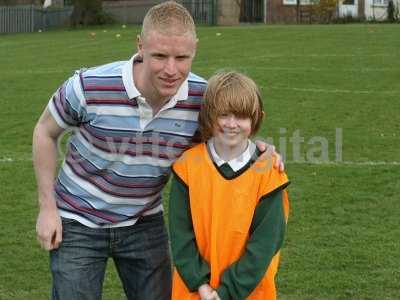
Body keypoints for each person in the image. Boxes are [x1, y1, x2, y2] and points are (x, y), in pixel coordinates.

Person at [32, 2, 284, 299]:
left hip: (144, 221)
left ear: (195, 49)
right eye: (160, 56)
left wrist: (261, 151)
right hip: (78, 219)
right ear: (140, 45)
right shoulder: (89, 86)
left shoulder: (202, 100)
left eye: (182, 57)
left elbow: (229, 133)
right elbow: (44, 132)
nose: (171, 69)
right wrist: (47, 209)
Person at [169, 71, 290, 300]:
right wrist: (202, 286)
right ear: (208, 116)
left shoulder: (268, 172)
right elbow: (180, 236)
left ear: (256, 118)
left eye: (241, 116)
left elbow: (264, 245)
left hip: (249, 292)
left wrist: (226, 292)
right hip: (194, 291)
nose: (231, 124)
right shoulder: (187, 167)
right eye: (223, 115)